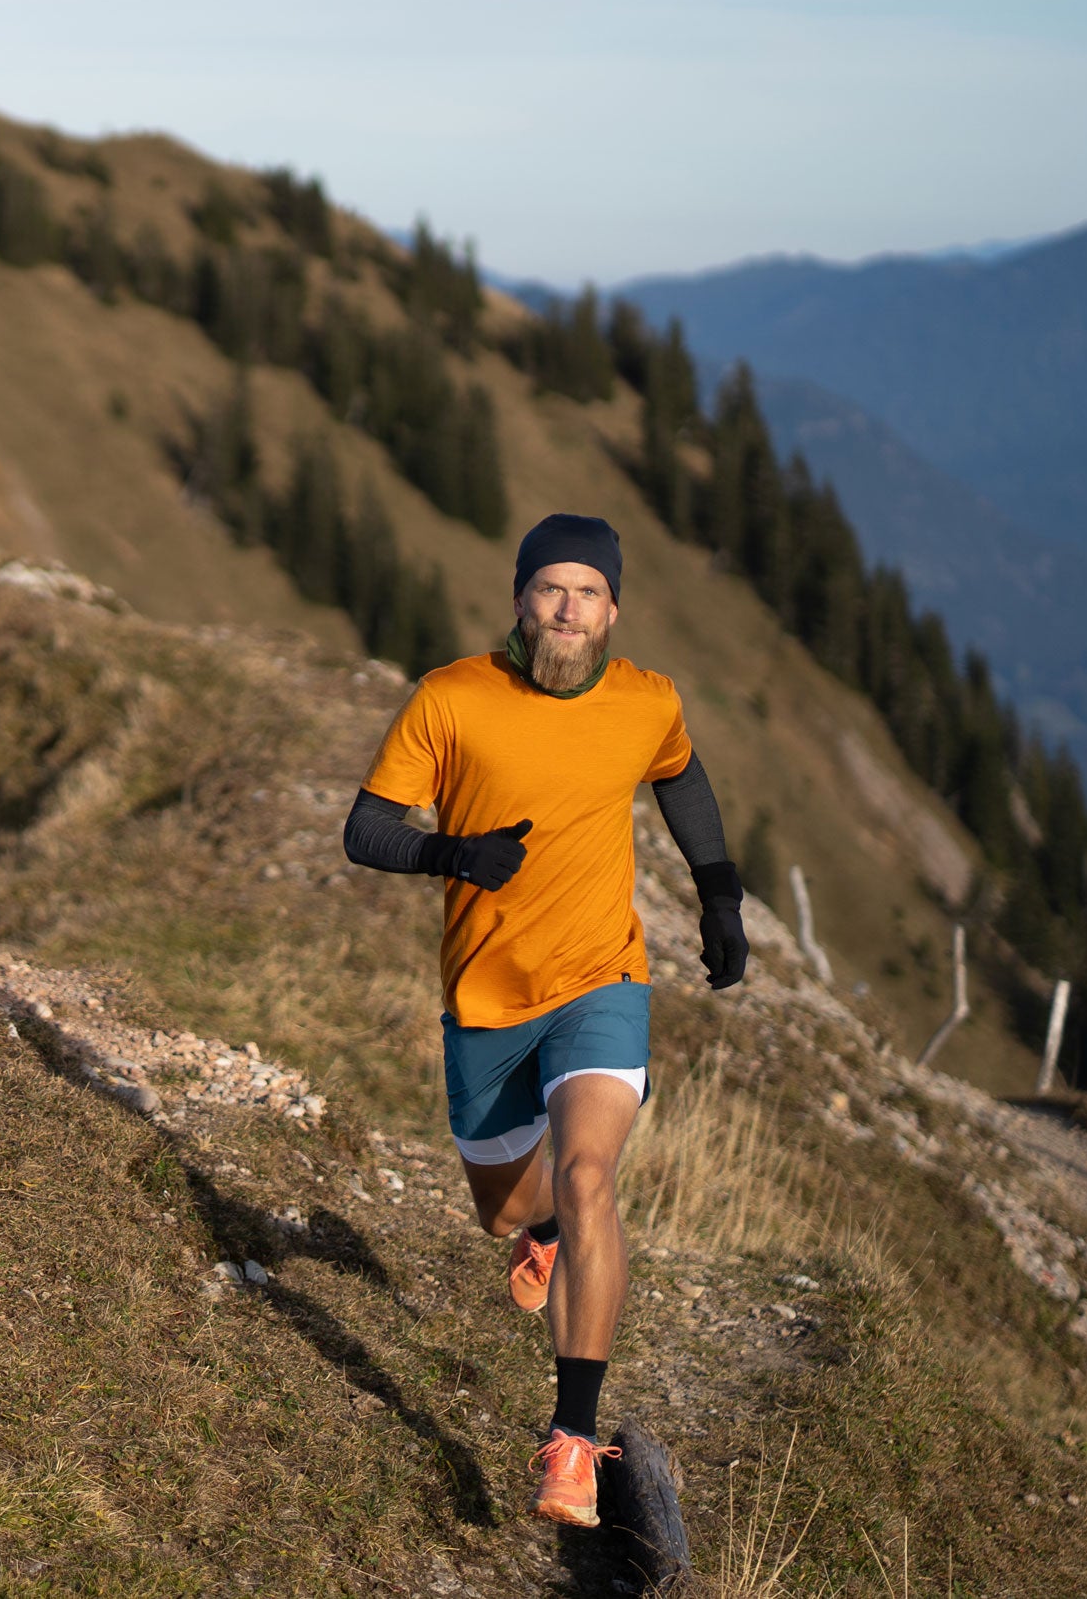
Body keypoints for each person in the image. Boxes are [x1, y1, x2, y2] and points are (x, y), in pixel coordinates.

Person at [341, 513, 747, 1528]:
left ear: (612, 609)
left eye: (586, 593)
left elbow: (679, 775)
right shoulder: (449, 698)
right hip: (484, 998)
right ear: (520, 598)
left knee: (588, 1174)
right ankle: (542, 1235)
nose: (566, 610)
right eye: (549, 589)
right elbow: (365, 828)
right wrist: (452, 856)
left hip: (601, 978)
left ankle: (572, 1439)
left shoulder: (644, 702)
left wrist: (719, 896)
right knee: (505, 1211)